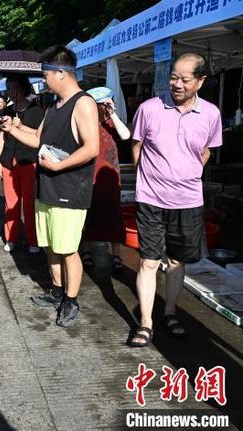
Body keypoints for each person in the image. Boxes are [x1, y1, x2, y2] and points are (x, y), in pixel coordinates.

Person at [127, 53, 222, 348]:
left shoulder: (211, 114)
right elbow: (137, 146)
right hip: (151, 198)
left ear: (201, 81)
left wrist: (187, 173)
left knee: (178, 261)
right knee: (148, 261)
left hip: (188, 200)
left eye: (185, 79)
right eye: (173, 78)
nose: (177, 84)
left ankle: (169, 312)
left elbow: (206, 152)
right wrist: (151, 178)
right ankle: (146, 322)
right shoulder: (149, 109)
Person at [1, 45, 99, 327]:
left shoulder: (83, 103)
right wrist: (13, 129)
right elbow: (39, 140)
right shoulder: (53, 106)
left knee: (68, 249)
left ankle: (71, 300)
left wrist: (58, 166)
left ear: (61, 73)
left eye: (45, 75)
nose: (43, 80)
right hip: (47, 187)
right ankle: (57, 290)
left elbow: (91, 148)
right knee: (51, 246)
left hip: (70, 189)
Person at [80, 88, 131, 270]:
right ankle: (86, 251)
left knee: (114, 214)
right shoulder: (87, 122)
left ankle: (117, 253)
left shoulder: (111, 123)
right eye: (104, 104)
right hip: (90, 174)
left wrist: (113, 115)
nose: (108, 106)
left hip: (110, 175)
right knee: (89, 213)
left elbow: (126, 135)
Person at [0, 75, 44, 253]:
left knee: (30, 204)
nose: (10, 92)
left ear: (24, 88)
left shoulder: (37, 111)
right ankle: (11, 238)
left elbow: (40, 136)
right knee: (10, 203)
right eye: (8, 88)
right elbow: (2, 136)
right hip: (9, 160)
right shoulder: (7, 111)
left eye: (13, 88)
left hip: (28, 161)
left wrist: (20, 125)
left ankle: (33, 240)